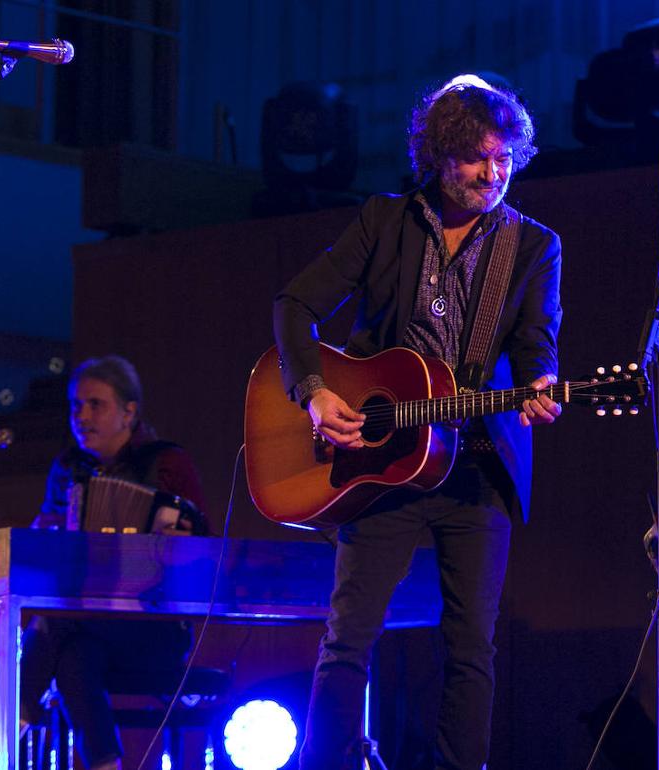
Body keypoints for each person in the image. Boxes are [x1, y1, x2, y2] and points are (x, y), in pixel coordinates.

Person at [272, 75, 562, 770]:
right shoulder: (385, 220)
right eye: (475, 160)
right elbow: (295, 305)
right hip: (380, 463)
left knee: (471, 648)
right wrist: (313, 391)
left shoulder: (534, 246)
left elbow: (536, 345)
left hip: (475, 466)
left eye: (504, 160)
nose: (493, 175)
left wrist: (540, 385)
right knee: (348, 640)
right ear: (437, 156)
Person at [0, 355, 206, 770]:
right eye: (76, 405)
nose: (82, 416)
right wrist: (47, 540)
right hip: (87, 628)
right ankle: (105, 765)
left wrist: (182, 543)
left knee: (57, 623)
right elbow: (40, 542)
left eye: (96, 404)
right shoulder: (68, 468)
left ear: (129, 412)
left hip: (154, 630)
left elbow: (205, 552)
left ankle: (3, 740)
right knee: (75, 655)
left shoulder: (166, 462)